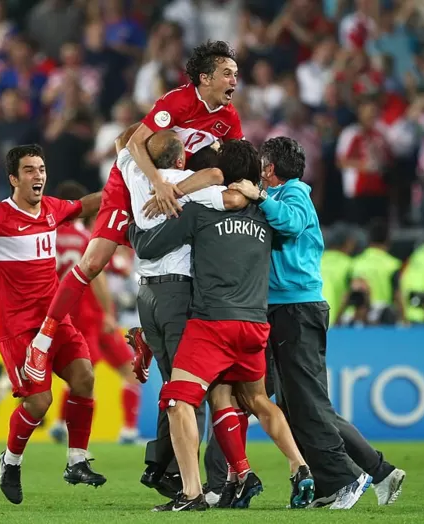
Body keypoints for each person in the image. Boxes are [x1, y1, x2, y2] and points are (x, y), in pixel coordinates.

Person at [24, 40, 244, 385]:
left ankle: (148, 336)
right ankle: (42, 339)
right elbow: (133, 142)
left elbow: (233, 164)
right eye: (227, 73)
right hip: (137, 182)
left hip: (174, 185)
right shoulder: (178, 101)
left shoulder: (229, 119)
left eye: (235, 74)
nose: (234, 80)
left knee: (190, 264)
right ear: (205, 78)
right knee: (94, 261)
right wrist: (157, 183)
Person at [129, 140, 313, 512]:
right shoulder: (266, 215)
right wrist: (260, 196)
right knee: (256, 400)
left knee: (178, 400)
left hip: (213, 324)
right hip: (254, 325)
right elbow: (289, 231)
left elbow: (149, 248)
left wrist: (131, 226)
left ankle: (192, 494)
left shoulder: (200, 212)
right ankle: (299, 468)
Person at [229, 137, 405, 509]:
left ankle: (346, 478)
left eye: (263, 165)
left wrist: (260, 198)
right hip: (280, 309)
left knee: (308, 404)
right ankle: (372, 471)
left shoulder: (295, 196)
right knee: (296, 405)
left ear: (270, 168)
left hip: (296, 308)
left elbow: (291, 224)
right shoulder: (281, 195)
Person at [0, 145, 105, 506]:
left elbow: (85, 205)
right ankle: (10, 460)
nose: (38, 176)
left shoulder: (52, 209)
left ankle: (77, 460)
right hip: (18, 328)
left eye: (41, 169)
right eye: (29, 170)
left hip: (54, 320)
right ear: (13, 178)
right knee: (39, 401)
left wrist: (122, 192)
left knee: (85, 378)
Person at [118, 130, 242, 502]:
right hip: (179, 294)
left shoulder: (137, 175)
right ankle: (190, 482)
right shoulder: (179, 183)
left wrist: (151, 126)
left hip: (147, 296)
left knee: (171, 386)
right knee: (191, 392)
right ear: (179, 159)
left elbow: (124, 144)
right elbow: (228, 192)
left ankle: (161, 467)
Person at [49, 181, 142, 445]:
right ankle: (127, 430)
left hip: (70, 313)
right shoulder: (84, 239)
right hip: (94, 314)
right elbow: (102, 272)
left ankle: (60, 424)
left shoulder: (50, 236)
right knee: (113, 373)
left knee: (83, 375)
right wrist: (109, 312)